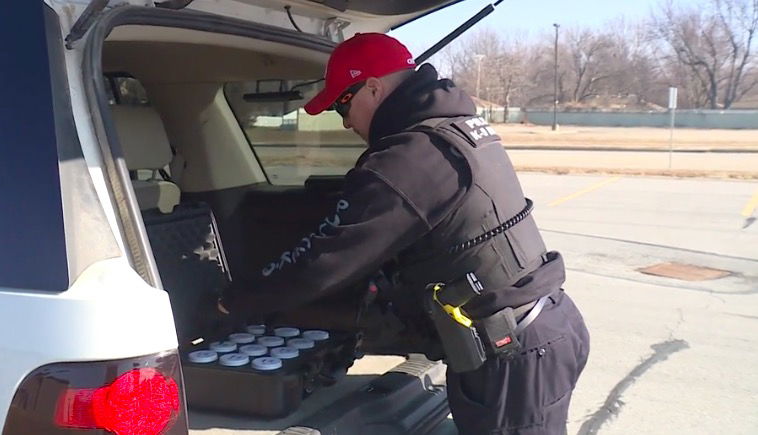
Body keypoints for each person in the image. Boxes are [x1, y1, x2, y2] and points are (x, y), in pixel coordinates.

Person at [219, 32, 589, 434]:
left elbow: (324, 261)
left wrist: (233, 303)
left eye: (343, 103)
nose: (345, 122)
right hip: (544, 326)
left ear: (374, 87)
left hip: (513, 353)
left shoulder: (408, 158)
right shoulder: (456, 129)